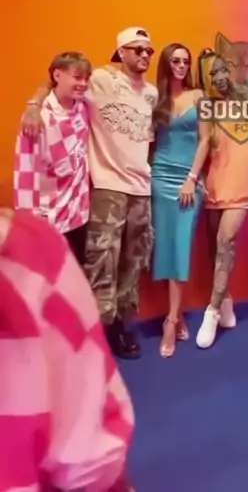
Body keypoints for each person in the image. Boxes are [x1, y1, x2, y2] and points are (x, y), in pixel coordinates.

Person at [20, 27, 157, 361]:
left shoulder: (151, 93)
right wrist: (33, 104)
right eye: (137, 49)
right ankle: (103, 330)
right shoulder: (100, 81)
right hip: (108, 187)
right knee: (102, 263)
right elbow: (57, 80)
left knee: (133, 261)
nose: (144, 55)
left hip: (141, 188)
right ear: (121, 52)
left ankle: (120, 324)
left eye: (149, 51)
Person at [0, 207, 134, 492]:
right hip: (54, 218)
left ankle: (116, 327)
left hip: (71, 217)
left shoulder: (30, 255)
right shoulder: (28, 256)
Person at [195, 55, 248, 349]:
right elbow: (204, 143)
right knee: (214, 248)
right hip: (215, 181)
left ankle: (211, 312)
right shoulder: (205, 106)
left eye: (223, 70)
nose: (220, 77)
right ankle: (225, 301)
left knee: (225, 241)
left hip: (242, 179)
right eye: (213, 73)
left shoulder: (245, 95)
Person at [151, 43, 208, 359]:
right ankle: (176, 313)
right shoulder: (153, 98)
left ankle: (171, 321)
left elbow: (205, 140)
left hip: (188, 180)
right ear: (166, 64)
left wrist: (192, 178)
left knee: (181, 247)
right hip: (159, 177)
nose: (182, 66)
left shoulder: (199, 96)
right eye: (176, 61)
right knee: (165, 248)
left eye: (186, 61)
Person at [14, 51, 91, 266]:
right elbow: (25, 175)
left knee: (76, 277)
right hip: (50, 220)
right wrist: (29, 224)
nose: (83, 84)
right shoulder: (38, 119)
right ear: (57, 75)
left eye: (86, 78)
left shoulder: (83, 106)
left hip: (79, 216)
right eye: (77, 77)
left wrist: (34, 100)